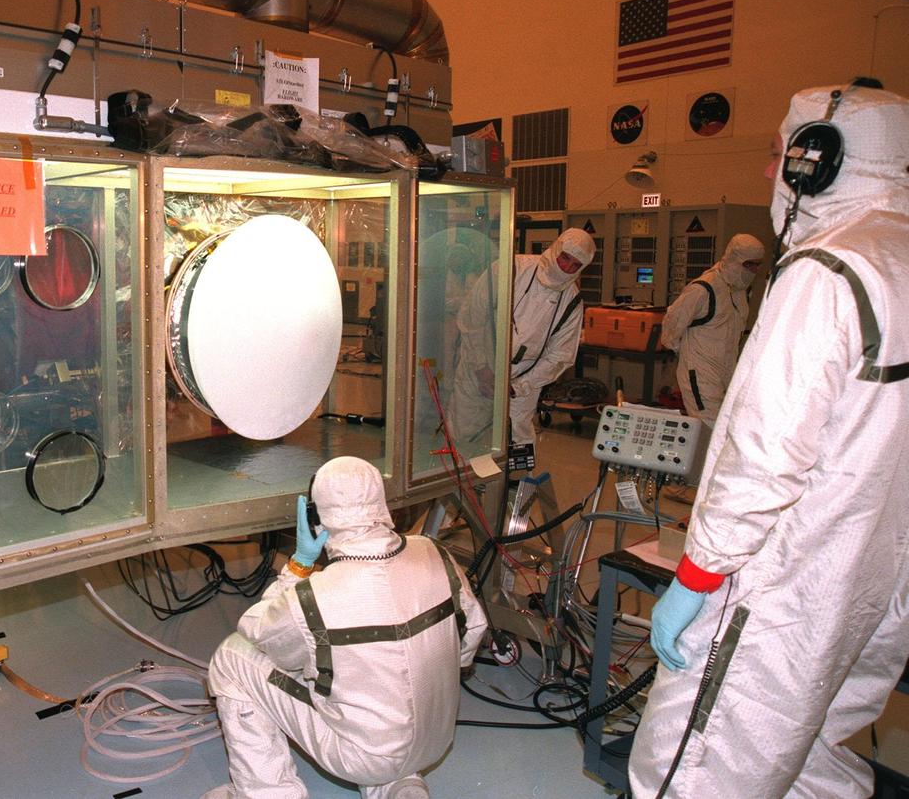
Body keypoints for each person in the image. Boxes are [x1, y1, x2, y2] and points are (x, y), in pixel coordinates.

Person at [629, 82, 909, 798]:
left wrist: (697, 575)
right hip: (870, 586)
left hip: (782, 587)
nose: (768, 172)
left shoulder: (827, 272)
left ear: (816, 161)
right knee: (808, 758)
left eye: (778, 154)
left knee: (687, 768)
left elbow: (762, 459)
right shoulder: (895, 256)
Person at [202, 456, 487, 799]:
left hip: (363, 757)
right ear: (382, 504)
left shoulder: (313, 598)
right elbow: (473, 630)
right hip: (436, 738)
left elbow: (258, 632)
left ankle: (266, 792)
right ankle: (398, 785)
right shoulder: (435, 553)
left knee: (232, 657)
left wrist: (299, 564)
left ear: (317, 518)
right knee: (388, 678)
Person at [447, 228, 595, 449]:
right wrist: (481, 367)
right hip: (478, 368)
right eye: (565, 258)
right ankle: (464, 482)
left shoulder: (571, 301)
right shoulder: (511, 269)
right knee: (465, 434)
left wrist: (521, 385)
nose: (566, 268)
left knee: (518, 444)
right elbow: (472, 318)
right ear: (555, 249)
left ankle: (512, 483)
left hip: (523, 383)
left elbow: (560, 356)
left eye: (575, 265)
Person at [660, 233, 765, 428]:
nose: (754, 270)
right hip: (700, 372)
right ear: (735, 259)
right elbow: (673, 322)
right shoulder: (704, 289)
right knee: (709, 428)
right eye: (749, 264)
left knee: (727, 426)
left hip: (726, 369)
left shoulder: (739, 291)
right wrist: (680, 349)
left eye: (758, 265)